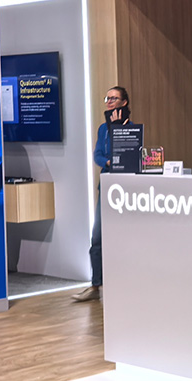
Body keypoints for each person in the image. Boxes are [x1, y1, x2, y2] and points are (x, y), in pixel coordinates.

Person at [74, 86, 129, 304]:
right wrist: (107, 162)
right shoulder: (102, 129)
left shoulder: (130, 127)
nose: (109, 101)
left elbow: (125, 156)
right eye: (108, 98)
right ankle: (95, 285)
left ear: (124, 102)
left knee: (121, 238)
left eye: (114, 98)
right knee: (97, 237)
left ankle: (121, 285)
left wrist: (117, 129)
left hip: (124, 189)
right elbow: (98, 155)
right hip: (105, 185)